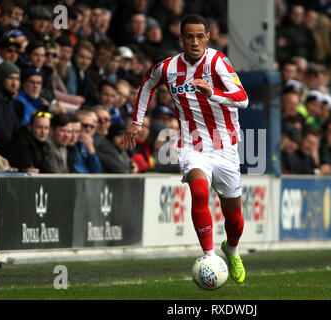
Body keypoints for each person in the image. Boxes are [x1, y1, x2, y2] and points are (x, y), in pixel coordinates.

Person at [125, 14, 248, 284]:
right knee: (199, 191)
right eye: (189, 36)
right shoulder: (167, 67)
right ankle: (209, 256)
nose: (195, 42)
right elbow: (146, 86)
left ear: (207, 37)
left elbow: (243, 99)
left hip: (225, 147)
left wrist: (212, 94)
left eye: (200, 36)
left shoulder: (218, 61)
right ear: (181, 39)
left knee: (235, 221)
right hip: (192, 144)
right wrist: (136, 121)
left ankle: (231, 249)